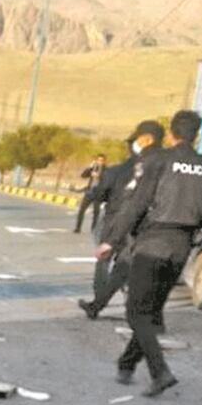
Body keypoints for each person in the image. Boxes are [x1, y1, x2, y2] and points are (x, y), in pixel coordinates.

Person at [97, 110, 202, 397]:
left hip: (152, 243)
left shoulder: (160, 161)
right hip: (181, 247)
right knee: (149, 312)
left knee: (136, 312)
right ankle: (127, 364)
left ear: (173, 132)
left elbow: (137, 204)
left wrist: (112, 241)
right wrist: (194, 237)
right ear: (197, 134)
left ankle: (159, 371)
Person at [79, 121, 164, 319]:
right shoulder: (164, 164)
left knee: (105, 261)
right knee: (127, 266)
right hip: (145, 226)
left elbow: (101, 194)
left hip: (116, 222)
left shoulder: (120, 170)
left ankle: (99, 300)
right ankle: (111, 304)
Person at [74, 154, 108, 233]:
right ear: (96, 160)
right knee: (82, 210)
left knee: (96, 212)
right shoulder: (93, 168)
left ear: (104, 161)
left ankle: (93, 229)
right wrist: (89, 167)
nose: (99, 162)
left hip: (98, 193)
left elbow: (107, 180)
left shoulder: (106, 169)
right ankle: (78, 228)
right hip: (89, 192)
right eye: (98, 160)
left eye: (101, 160)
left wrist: (99, 176)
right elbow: (83, 176)